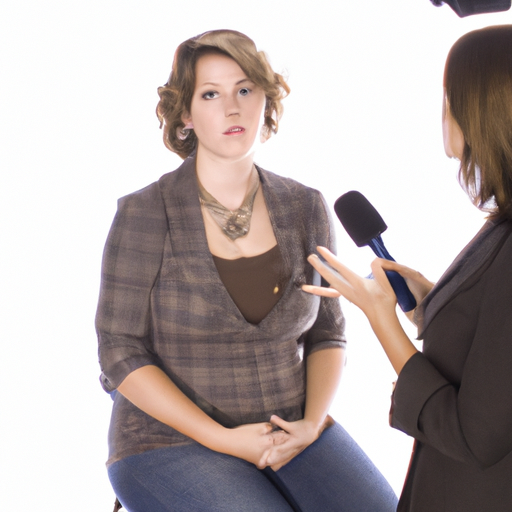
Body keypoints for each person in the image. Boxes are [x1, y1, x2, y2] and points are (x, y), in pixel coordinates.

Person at [96, 29, 397, 512]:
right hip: (167, 440)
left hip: (287, 428)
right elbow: (119, 350)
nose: (232, 108)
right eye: (210, 94)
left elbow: (328, 335)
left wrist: (311, 424)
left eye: (244, 89)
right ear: (186, 115)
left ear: (265, 99)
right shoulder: (144, 213)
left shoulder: (305, 207)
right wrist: (222, 438)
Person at [303, 25, 512, 512]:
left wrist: (383, 320)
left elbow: (473, 433)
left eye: (450, 98)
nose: (444, 113)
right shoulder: (500, 228)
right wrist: (432, 305)